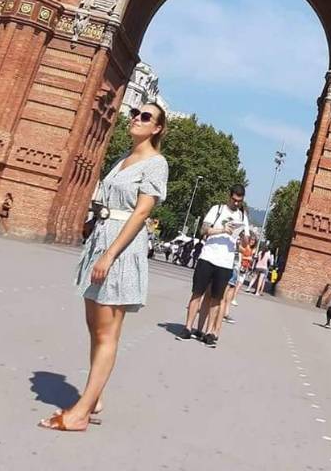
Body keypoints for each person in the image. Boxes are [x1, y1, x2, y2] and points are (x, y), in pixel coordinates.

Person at [39, 103, 169, 432]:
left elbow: (141, 213)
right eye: (135, 112)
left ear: (156, 128)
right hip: (101, 240)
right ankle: (95, 397)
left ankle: (81, 412)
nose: (136, 118)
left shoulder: (157, 164)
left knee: (107, 332)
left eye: (145, 117)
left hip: (120, 249)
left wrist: (110, 254)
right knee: (94, 328)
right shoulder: (122, 160)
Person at [181, 184, 249, 347]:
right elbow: (204, 230)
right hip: (208, 257)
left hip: (225, 262)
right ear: (229, 196)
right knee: (197, 293)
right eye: (234, 200)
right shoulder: (217, 209)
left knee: (216, 299)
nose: (236, 203)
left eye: (239, 201)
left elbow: (245, 242)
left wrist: (244, 238)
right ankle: (188, 328)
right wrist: (222, 230)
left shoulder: (242, 216)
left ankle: (209, 332)